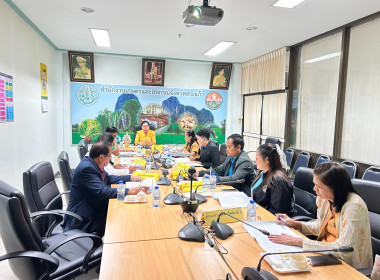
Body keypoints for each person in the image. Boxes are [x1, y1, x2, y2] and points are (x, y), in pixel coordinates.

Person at [269, 161, 373, 269]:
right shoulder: (325, 198)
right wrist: (295, 224)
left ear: (335, 188)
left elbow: (344, 250)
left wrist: (299, 241)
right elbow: (320, 226)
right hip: (325, 255)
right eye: (314, 184)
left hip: (347, 265)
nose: (314, 189)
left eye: (319, 186)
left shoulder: (354, 207)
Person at [64, 141, 148, 236]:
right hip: (85, 217)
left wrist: (130, 177)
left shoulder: (94, 163)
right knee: (124, 220)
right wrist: (131, 191)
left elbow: (109, 178)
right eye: (110, 156)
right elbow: (103, 191)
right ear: (101, 157)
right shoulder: (86, 169)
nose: (110, 159)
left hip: (93, 205)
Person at [251, 143, 296, 216]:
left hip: (270, 219)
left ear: (267, 159)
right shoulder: (262, 173)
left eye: (257, 157)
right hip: (256, 212)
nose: (255, 160)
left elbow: (277, 210)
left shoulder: (279, 180)